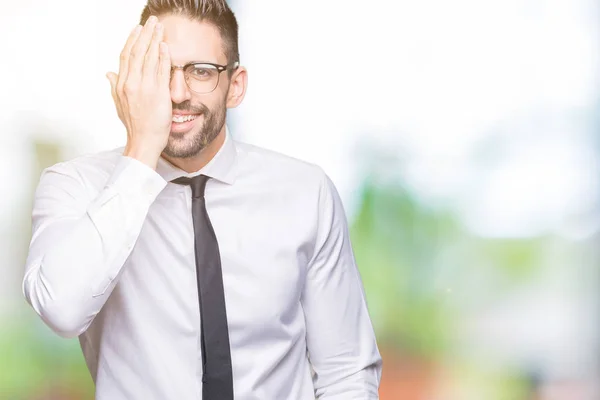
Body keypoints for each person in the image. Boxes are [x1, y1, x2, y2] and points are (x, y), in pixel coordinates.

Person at [22, 0, 382, 399]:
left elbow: (347, 373)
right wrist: (141, 150)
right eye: (160, 70)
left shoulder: (305, 193)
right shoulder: (74, 186)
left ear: (236, 85)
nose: (177, 93)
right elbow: (62, 311)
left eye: (201, 72)